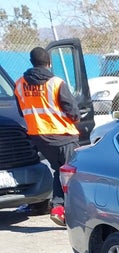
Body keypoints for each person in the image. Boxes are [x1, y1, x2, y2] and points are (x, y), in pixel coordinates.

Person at [14, 46, 80, 227]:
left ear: (31, 62)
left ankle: (58, 208)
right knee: (71, 175)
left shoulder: (19, 84)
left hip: (38, 136)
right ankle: (70, 212)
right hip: (63, 135)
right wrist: (75, 118)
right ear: (49, 62)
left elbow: (22, 111)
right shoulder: (56, 83)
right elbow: (73, 111)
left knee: (60, 170)